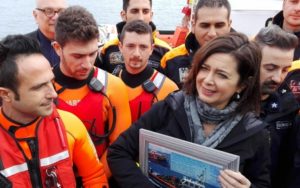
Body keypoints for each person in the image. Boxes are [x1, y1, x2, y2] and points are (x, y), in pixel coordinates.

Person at [108, 32, 270, 188]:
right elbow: (118, 152)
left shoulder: (254, 133)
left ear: (242, 85)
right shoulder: (170, 107)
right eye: (205, 68)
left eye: (221, 75)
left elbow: (262, 183)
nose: (207, 80)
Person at [0, 35, 108, 187]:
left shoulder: (69, 125)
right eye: (38, 87)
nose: (54, 94)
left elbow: (95, 177)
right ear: (5, 94)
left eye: (51, 82)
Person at [52, 5, 131, 178]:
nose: (87, 64)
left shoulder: (114, 87)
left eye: (92, 54)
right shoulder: (42, 88)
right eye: (78, 56)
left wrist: (94, 180)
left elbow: (119, 146)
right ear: (58, 48)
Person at [254, 25, 299, 188]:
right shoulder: (226, 98)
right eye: (270, 68)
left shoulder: (289, 105)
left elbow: (291, 163)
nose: (278, 78)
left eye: (285, 70)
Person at [160, 0, 232, 88]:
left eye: (219, 25)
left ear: (229, 25)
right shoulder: (170, 60)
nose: (212, 33)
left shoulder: (243, 59)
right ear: (193, 26)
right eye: (205, 25)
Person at [117, 20, 178, 123]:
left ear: (151, 49)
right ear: (120, 47)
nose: (136, 53)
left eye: (143, 47)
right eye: (130, 46)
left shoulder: (169, 90)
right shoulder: (111, 84)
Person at [97, 0, 171, 74]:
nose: (140, 18)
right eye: (134, 11)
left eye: (145, 12)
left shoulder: (166, 52)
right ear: (124, 15)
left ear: (151, 15)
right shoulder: (107, 49)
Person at [26, 0, 67, 67]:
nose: (56, 17)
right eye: (49, 11)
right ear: (36, 15)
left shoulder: (78, 43)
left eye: (61, 11)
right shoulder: (22, 48)